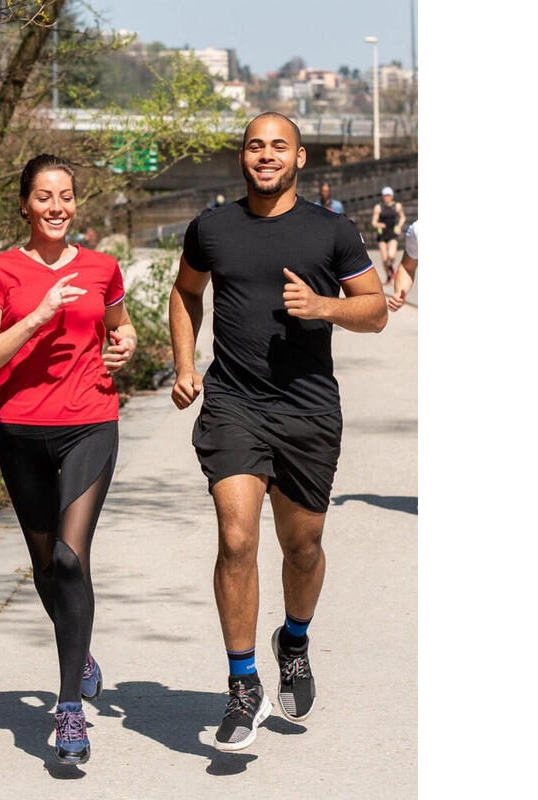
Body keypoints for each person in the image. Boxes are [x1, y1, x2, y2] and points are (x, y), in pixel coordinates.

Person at [169, 112, 387, 752]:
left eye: (279, 147)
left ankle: (293, 640)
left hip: (307, 409)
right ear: (242, 157)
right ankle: (242, 684)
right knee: (236, 539)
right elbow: (185, 294)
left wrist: (324, 307)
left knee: (303, 547)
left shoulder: (332, 230)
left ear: (298, 160)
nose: (266, 155)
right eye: (255, 145)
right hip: (233, 404)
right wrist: (186, 365)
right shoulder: (211, 227)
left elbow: (374, 310)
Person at [0, 154, 137, 765]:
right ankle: (81, 649)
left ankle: (69, 709)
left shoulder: (101, 267)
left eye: (66, 195)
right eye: (44, 196)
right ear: (24, 203)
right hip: (19, 430)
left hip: (89, 422)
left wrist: (124, 347)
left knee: (70, 558)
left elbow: (121, 327)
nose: (57, 207)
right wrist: (38, 315)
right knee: (45, 568)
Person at [371, 186, 406, 285]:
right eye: (385, 195)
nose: (387, 197)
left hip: (392, 234)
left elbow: (403, 217)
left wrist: (399, 226)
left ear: (392, 196)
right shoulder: (378, 207)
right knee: (385, 258)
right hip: (382, 236)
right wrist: (379, 224)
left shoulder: (397, 206)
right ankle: (388, 276)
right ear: (382, 197)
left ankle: (391, 268)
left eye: (389, 195)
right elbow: (374, 222)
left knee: (392, 255)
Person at [388, 219, 418, 311]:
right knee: (387, 257)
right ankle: (388, 275)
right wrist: (399, 293)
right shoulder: (417, 230)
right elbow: (407, 267)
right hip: (384, 235)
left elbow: (402, 216)